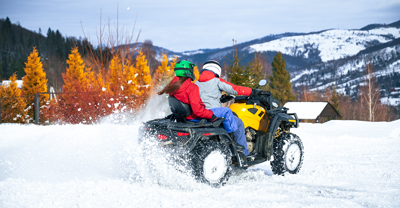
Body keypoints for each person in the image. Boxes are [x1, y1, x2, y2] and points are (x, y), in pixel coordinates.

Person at [158, 60, 247, 155]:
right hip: (195, 117)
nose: (193, 72)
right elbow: (198, 111)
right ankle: (233, 141)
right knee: (227, 111)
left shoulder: (173, 86)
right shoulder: (192, 87)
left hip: (184, 117)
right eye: (191, 70)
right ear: (188, 72)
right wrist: (211, 115)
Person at [196, 60, 256, 156]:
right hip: (215, 113)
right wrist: (252, 91)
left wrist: (221, 98)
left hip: (200, 113)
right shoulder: (216, 81)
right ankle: (243, 152)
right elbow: (234, 89)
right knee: (239, 123)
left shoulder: (196, 83)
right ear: (217, 70)